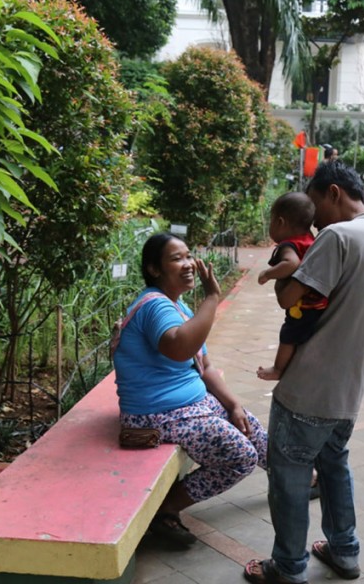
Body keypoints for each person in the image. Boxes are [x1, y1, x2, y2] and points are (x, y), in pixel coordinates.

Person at [244, 162, 364, 584]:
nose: (311, 221)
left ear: (333, 193)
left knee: (289, 477)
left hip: (309, 389)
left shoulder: (337, 236)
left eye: (314, 206)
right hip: (350, 388)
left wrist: (280, 271)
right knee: (333, 467)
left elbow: (287, 297)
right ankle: (345, 552)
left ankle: (288, 567)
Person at [113, 233, 267, 546]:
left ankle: (297, 480)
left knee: (250, 426)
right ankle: (163, 509)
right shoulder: (155, 307)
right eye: (176, 259)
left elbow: (204, 366)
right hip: (157, 414)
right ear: (155, 269)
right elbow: (179, 348)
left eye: (188, 256)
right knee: (241, 456)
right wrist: (212, 298)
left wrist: (233, 405)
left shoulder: (177, 304)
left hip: (189, 406)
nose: (188, 264)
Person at [256, 192, 328, 381]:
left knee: (289, 334)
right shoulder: (311, 239)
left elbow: (291, 263)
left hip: (304, 306)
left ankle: (278, 369)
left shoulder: (288, 245)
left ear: (280, 222)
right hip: (320, 301)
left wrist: (268, 274)